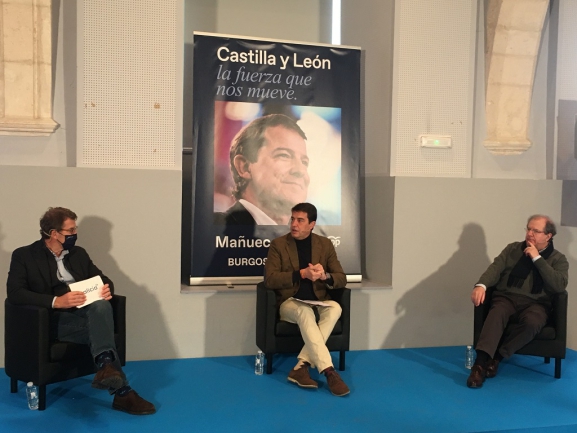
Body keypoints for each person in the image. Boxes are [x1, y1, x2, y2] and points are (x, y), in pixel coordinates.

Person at [6, 207, 156, 415]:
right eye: (70, 231)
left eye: (75, 229)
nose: (75, 234)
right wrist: (56, 301)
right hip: (49, 320)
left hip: (83, 313)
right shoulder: (24, 255)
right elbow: (15, 293)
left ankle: (107, 367)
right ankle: (121, 390)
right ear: (54, 233)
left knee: (101, 305)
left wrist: (106, 289)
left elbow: (103, 279)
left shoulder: (78, 254)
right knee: (101, 329)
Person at [467, 215, 569, 388]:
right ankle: (479, 365)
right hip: (507, 298)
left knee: (533, 322)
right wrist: (481, 285)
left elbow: (559, 285)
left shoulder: (558, 259)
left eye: (536, 231)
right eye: (528, 229)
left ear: (548, 236)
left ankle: (497, 358)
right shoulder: (512, 249)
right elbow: (495, 268)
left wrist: (537, 259)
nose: (530, 233)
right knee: (497, 313)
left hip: (537, 304)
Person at [264, 202, 349, 396]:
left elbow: (341, 278)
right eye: (292, 219)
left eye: (300, 220)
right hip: (290, 302)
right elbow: (270, 279)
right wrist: (301, 274)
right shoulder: (279, 245)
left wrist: (324, 276)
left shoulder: (324, 244)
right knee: (305, 311)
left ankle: (301, 366)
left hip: (318, 300)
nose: (294, 224)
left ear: (312, 224)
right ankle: (329, 371)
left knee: (335, 308)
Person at [215, 113, 310, 225]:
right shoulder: (212, 228)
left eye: (304, 162)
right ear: (244, 167)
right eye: (284, 155)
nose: (300, 171)